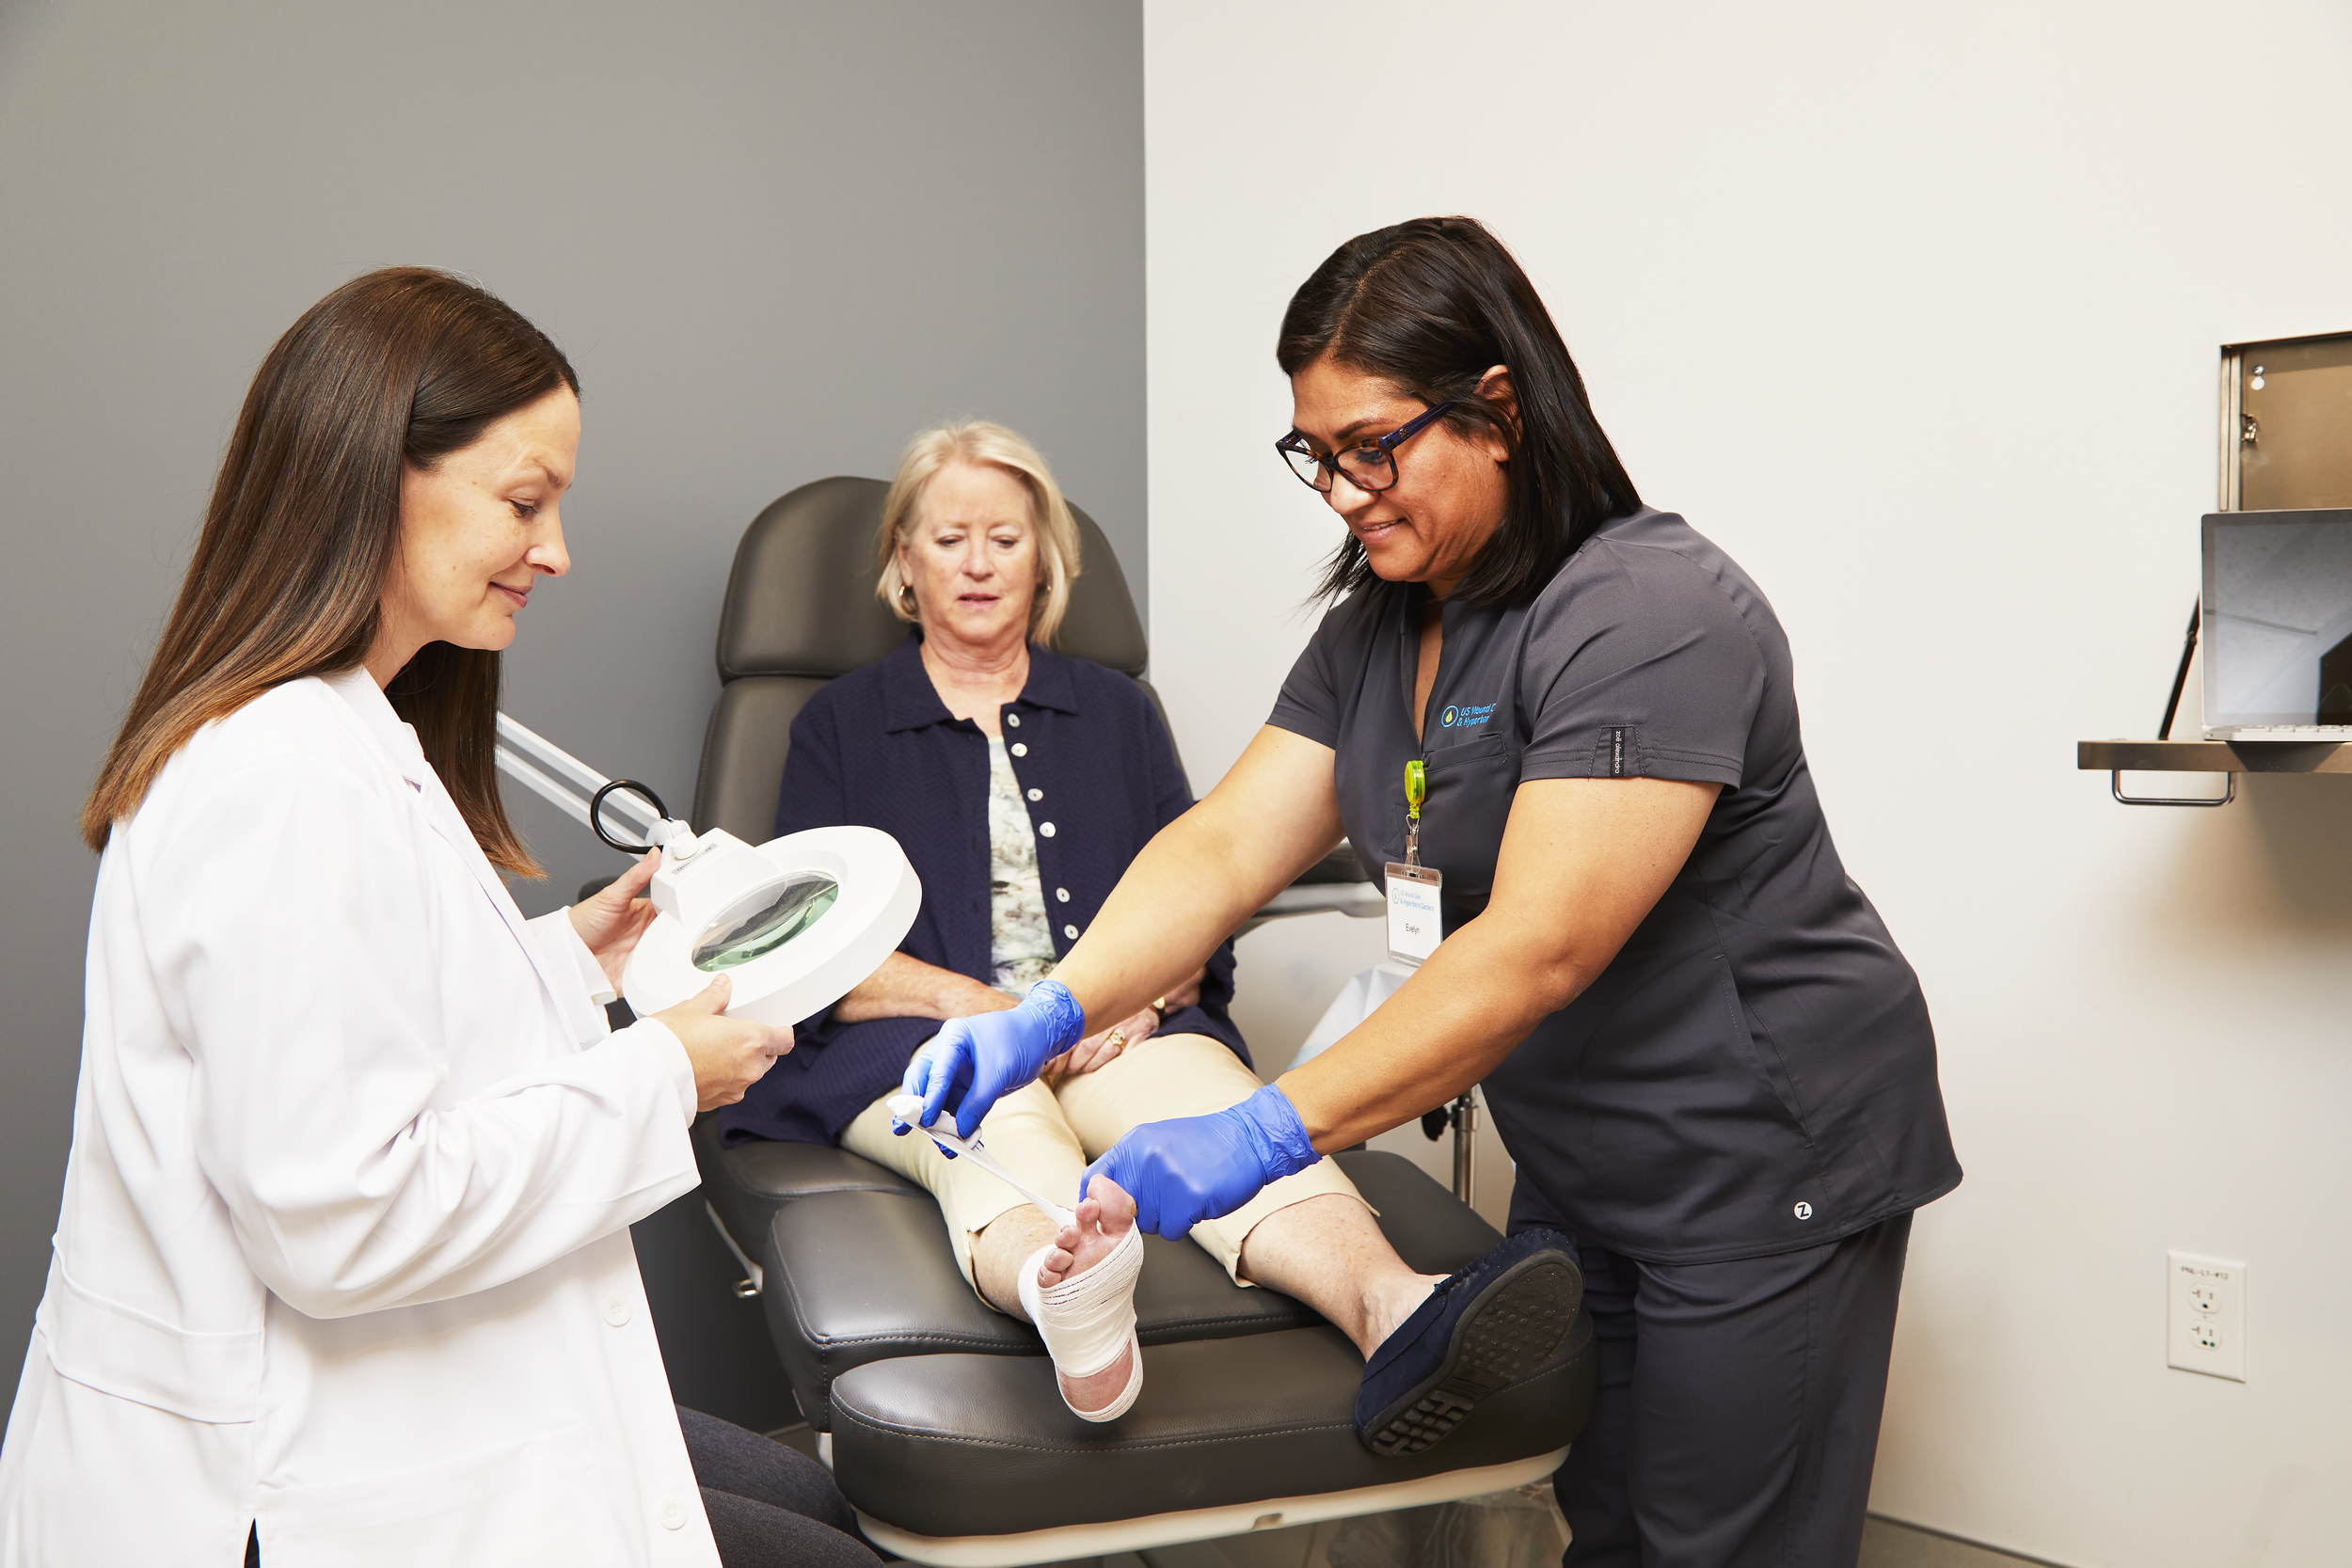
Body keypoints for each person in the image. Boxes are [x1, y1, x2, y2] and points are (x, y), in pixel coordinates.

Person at [900, 220, 1963, 1566]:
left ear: (1501, 411)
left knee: (1722, 1541)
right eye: (1316, 454)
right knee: (1611, 1522)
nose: (1342, 489)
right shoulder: (1381, 623)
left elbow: (1534, 949)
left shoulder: (1648, 609)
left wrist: (1264, 1132)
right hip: (1589, 1157)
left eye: (1372, 445)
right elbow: (1225, 844)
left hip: (1762, 1154)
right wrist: (1050, 1011)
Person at [0, 268, 879, 1568]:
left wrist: (572, 962)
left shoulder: (346, 726)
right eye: (524, 501)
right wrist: (660, 1073)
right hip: (295, 1475)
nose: (557, 549)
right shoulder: (282, 771)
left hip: (400, 1384)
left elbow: (361, 1014)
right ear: (371, 476)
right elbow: (337, 1213)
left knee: (810, 1505)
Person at [719, 420, 1459, 1422]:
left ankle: (1395, 1307)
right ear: (904, 559)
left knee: (1216, 1120)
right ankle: (1067, 1295)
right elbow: (818, 951)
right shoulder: (838, 722)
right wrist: (1003, 1014)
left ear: (1047, 561)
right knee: (998, 1123)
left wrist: (1138, 999)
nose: (978, 564)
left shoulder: (1117, 711)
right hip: (919, 1038)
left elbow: (1201, 888)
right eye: (947, 539)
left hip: (1125, 1024)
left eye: (1006, 538)